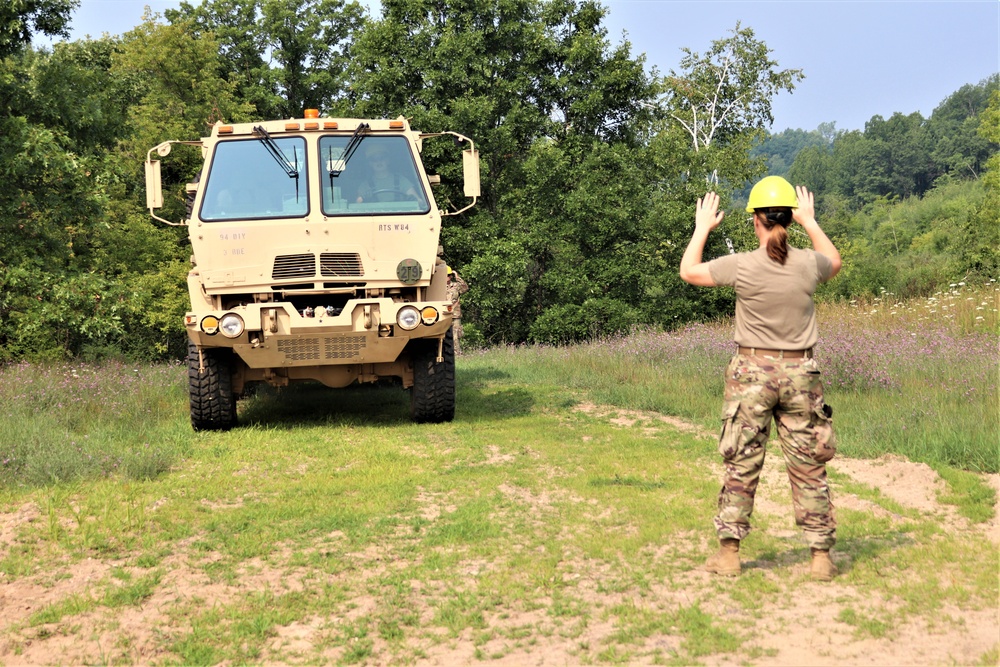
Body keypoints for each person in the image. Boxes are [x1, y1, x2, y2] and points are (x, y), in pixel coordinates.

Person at [678, 176, 842, 582]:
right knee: (808, 465)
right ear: (789, 216)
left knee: (742, 461)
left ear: (755, 221)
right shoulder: (808, 263)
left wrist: (702, 228)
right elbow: (834, 262)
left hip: (751, 374)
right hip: (802, 374)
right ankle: (820, 557)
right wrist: (811, 222)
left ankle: (730, 554)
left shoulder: (743, 265)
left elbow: (689, 272)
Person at [446, 266, 469, 354]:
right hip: (443, 314)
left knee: (456, 334)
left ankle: (457, 353)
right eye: (445, 275)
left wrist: (457, 277)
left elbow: (465, 288)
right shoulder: (438, 286)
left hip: (455, 314)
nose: (447, 277)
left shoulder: (456, 286)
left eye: (449, 275)